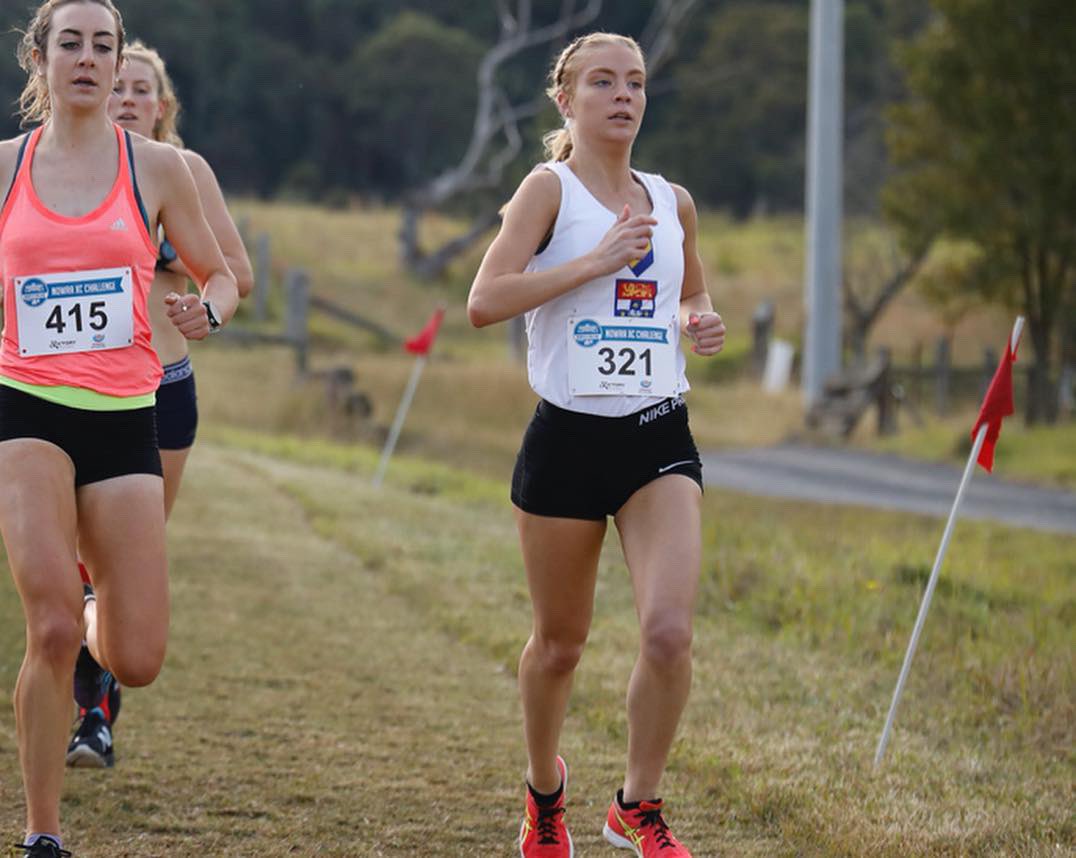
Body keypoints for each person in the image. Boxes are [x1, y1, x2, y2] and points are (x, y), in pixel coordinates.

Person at [467, 32, 726, 858]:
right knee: (559, 645)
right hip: (567, 442)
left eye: (637, 83)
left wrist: (696, 320)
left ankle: (637, 806)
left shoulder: (672, 199)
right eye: (603, 82)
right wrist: (591, 263)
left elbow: (688, 291)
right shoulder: (548, 190)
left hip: (657, 434)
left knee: (668, 633)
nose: (623, 96)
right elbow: (484, 300)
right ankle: (545, 794)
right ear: (566, 99)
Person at [0, 1, 238, 855]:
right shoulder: (4, 169)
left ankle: (99, 602)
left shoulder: (159, 168)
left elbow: (223, 275)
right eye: (72, 43)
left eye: (104, 45)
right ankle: (41, 834)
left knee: (135, 657)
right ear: (41, 57)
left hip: (124, 415)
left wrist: (206, 309)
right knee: (50, 627)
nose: (90, 59)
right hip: (26, 412)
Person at [64, 38, 254, 771]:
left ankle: (95, 716)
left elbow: (236, 274)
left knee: (116, 567)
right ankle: (73, 700)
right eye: (122, 90)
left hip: (161, 390)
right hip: (69, 391)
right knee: (68, 565)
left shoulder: (184, 173)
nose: (130, 101)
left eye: (144, 91)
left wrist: (190, 282)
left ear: (162, 106)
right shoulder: (64, 172)